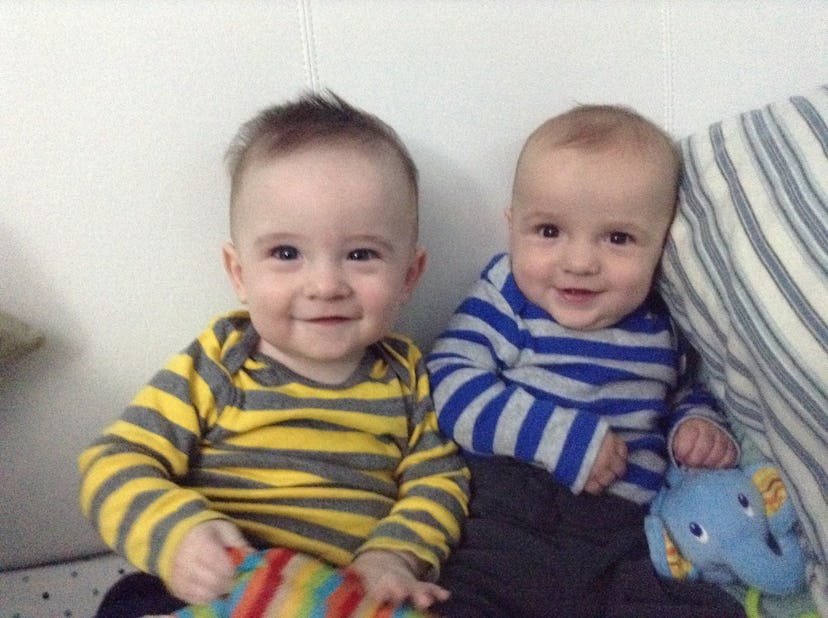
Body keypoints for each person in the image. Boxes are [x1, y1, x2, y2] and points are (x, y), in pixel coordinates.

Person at [78, 91, 470, 617]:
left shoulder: (407, 377)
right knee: (129, 602)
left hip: (340, 594)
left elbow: (439, 481)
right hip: (220, 582)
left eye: (361, 254)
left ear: (409, 276)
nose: (326, 284)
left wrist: (393, 554)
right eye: (286, 253)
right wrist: (178, 536)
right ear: (240, 273)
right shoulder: (220, 361)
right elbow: (113, 461)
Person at [426, 104, 744, 617]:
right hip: (511, 511)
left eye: (617, 238)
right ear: (513, 229)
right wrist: (558, 438)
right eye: (549, 231)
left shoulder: (660, 317)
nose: (579, 262)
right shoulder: (509, 295)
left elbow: (685, 389)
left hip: (624, 533)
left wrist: (699, 426)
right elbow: (447, 384)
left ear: (662, 244)